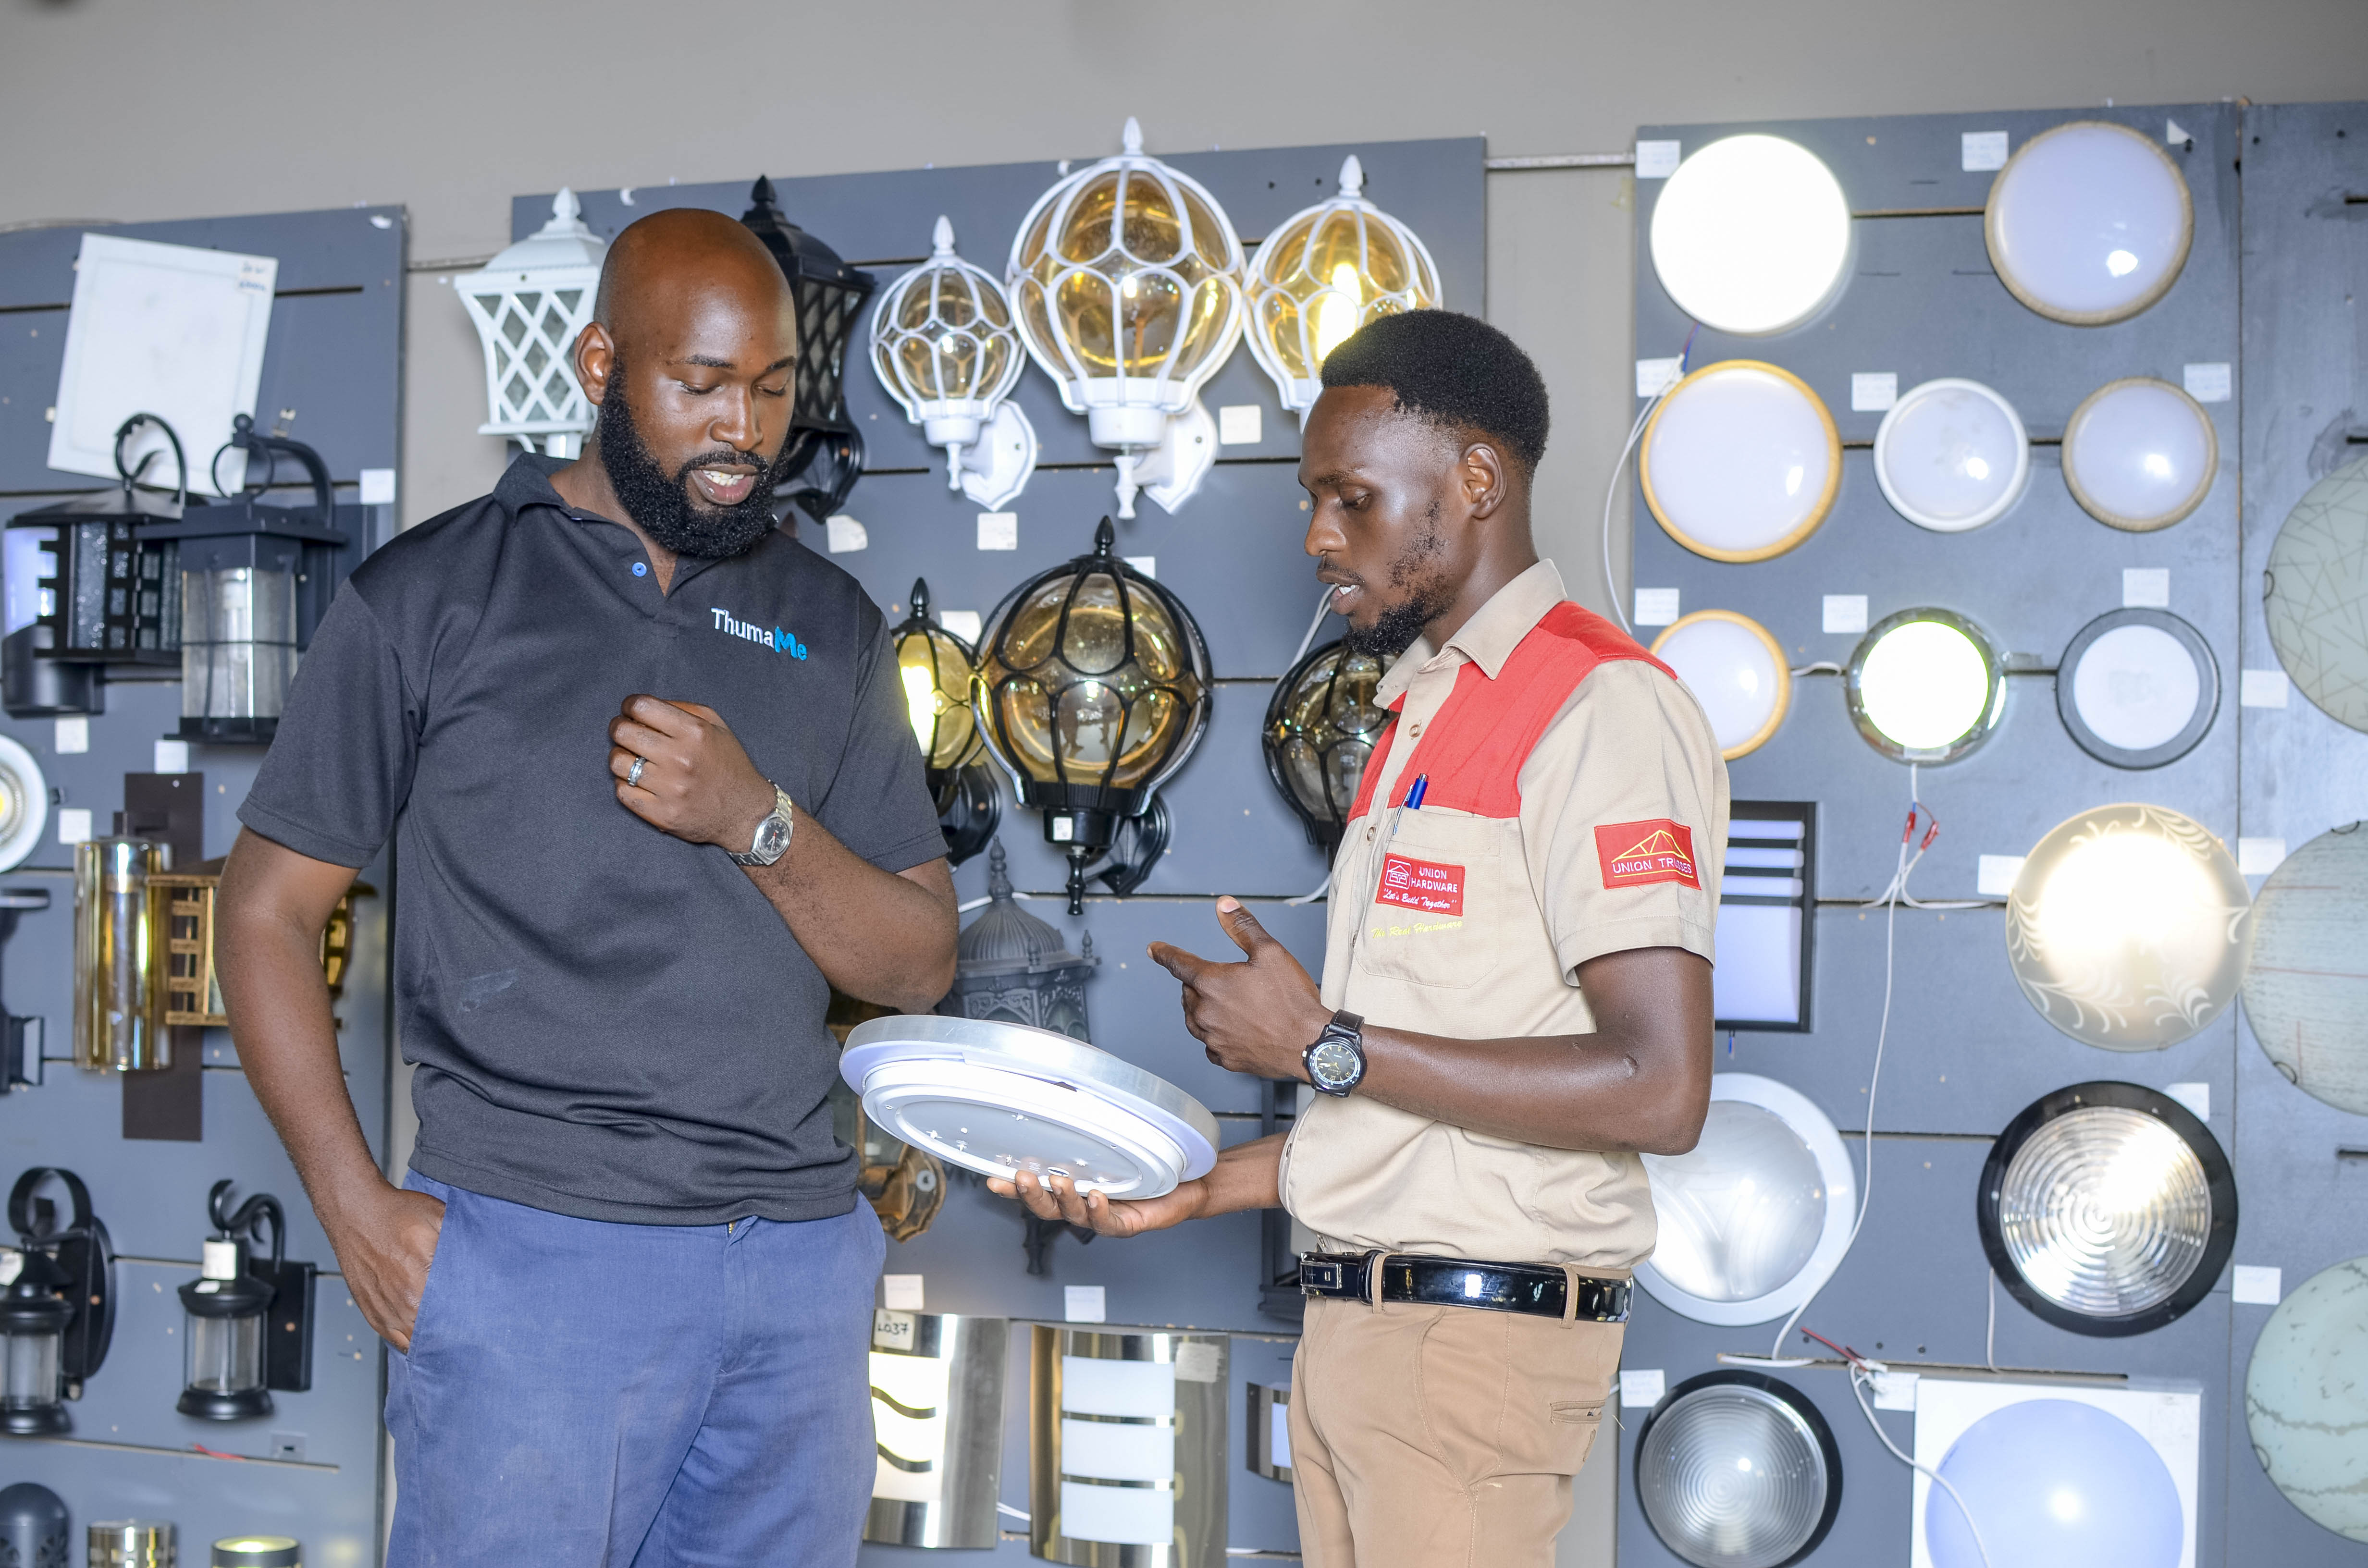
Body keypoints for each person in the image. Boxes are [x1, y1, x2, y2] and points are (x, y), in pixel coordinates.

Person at [216, 208, 957, 1567]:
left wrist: (754, 819)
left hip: (797, 1268)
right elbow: (264, 909)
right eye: (702, 385)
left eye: (774, 389)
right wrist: (351, 1202)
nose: (744, 430)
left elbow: (917, 964)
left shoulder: (834, 625)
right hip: (536, 1262)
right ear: (601, 365)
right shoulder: (430, 596)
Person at [996, 310, 1725, 1567]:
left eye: (1352, 499)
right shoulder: (1414, 713)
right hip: (1359, 1336)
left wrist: (1324, 1045)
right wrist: (1196, 1188)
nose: (1318, 536)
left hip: (1471, 1353)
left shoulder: (1601, 707)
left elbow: (1660, 1090)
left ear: (1477, 481)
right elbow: (1416, 1126)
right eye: (1311, 500)